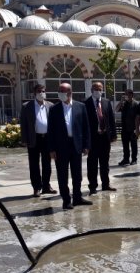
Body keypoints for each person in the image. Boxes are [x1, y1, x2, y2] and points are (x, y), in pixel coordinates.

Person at [48, 82, 92, 210]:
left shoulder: (80, 107)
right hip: (60, 147)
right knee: (62, 175)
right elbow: (50, 130)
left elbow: (86, 127)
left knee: (77, 174)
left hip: (76, 145)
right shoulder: (54, 109)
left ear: (70, 93)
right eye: (59, 91)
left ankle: (77, 198)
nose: (60, 94)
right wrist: (51, 149)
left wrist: (87, 145)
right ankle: (66, 200)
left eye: (63, 92)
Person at [20, 83, 57, 197]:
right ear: (34, 93)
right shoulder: (27, 106)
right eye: (39, 91)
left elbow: (54, 124)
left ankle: (46, 186)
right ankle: (37, 187)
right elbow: (24, 124)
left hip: (47, 138)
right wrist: (24, 139)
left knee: (47, 164)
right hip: (34, 138)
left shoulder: (50, 106)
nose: (41, 93)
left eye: (43, 91)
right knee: (34, 164)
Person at [84, 81, 117, 194]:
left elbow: (111, 120)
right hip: (93, 138)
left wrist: (113, 134)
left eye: (100, 89)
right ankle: (92, 186)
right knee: (92, 164)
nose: (98, 91)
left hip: (104, 138)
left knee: (104, 163)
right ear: (91, 90)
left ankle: (105, 184)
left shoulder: (106, 102)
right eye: (96, 89)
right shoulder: (85, 103)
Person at [116, 90, 139, 166]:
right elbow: (116, 110)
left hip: (133, 128)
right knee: (125, 145)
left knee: (134, 145)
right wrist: (121, 101)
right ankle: (126, 159)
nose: (126, 96)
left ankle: (134, 159)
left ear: (132, 95)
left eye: (128, 94)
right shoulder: (124, 104)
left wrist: (137, 128)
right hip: (125, 128)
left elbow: (138, 117)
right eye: (125, 95)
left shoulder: (135, 104)